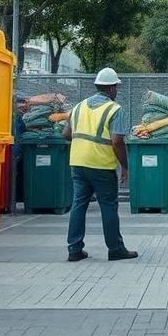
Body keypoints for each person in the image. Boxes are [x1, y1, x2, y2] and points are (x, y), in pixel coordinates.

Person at [61, 67, 138, 262]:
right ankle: (116, 249)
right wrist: (125, 166)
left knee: (79, 204)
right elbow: (117, 141)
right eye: (116, 87)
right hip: (101, 164)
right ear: (112, 89)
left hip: (77, 163)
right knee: (108, 206)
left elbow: (66, 134)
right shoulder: (114, 109)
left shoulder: (78, 107)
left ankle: (74, 249)